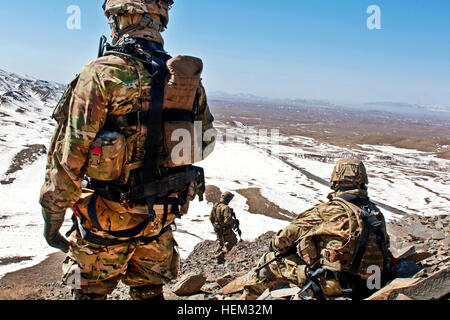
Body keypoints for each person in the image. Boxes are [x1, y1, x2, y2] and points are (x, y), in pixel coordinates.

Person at [39, 0, 215, 300]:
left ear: (123, 18)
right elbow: (204, 144)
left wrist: (52, 217)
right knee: (149, 291)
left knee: (88, 293)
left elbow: (69, 156)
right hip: (159, 219)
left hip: (106, 219)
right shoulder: (186, 82)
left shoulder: (102, 73)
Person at [242, 158, 395, 300]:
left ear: (336, 181)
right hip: (372, 285)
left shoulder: (328, 210)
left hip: (337, 286)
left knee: (269, 262)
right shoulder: (376, 214)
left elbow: (282, 240)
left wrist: (276, 245)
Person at [209, 192, 241, 264]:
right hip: (225, 229)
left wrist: (216, 225)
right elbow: (227, 220)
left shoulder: (215, 206)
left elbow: (210, 218)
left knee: (220, 242)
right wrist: (234, 222)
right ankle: (221, 255)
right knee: (233, 241)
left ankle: (219, 260)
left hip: (217, 229)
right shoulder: (225, 208)